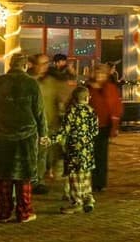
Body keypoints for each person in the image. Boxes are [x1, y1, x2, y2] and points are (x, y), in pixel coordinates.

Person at [0, 54, 46, 223]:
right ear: (25, 66)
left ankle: (3, 211)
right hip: (26, 134)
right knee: (23, 175)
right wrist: (43, 134)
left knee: (5, 175)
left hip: (3, 134)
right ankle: (24, 212)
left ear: (10, 65)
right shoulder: (31, 84)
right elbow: (39, 112)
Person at [55, 86, 98, 214]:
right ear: (86, 98)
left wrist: (50, 140)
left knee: (74, 176)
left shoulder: (71, 111)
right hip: (87, 149)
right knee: (85, 175)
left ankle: (77, 202)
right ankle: (88, 198)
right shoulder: (91, 111)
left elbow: (64, 131)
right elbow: (95, 131)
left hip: (74, 149)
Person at [38, 54, 76, 191]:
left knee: (50, 153)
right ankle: (38, 180)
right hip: (35, 124)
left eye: (46, 63)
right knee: (39, 153)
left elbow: (65, 95)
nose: (44, 66)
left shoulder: (52, 80)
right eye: (41, 63)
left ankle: (46, 175)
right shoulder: (31, 80)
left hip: (51, 122)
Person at [87, 64, 122, 193]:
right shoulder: (87, 88)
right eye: (97, 73)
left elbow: (115, 106)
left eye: (102, 74)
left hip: (104, 126)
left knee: (101, 155)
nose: (99, 76)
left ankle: (100, 182)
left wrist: (115, 125)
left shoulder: (110, 88)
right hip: (89, 126)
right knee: (89, 154)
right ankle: (88, 180)